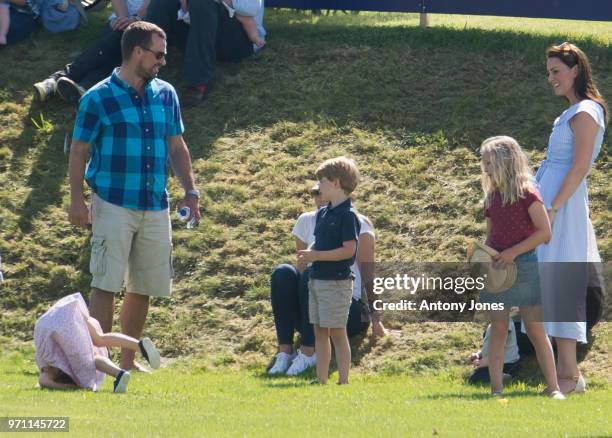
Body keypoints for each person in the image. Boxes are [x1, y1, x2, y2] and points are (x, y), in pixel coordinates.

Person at [68, 21, 201, 371]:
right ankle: (100, 361)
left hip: (155, 203)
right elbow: (79, 151)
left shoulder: (166, 93)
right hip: (111, 201)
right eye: (158, 54)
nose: (162, 62)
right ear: (137, 52)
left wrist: (191, 191)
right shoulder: (97, 97)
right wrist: (77, 201)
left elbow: (177, 146)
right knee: (106, 284)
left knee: (143, 286)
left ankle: (127, 362)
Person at [538, 42, 608, 394]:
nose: (551, 78)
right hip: (550, 203)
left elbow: (580, 166)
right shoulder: (570, 112)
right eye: (548, 72)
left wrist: (554, 207)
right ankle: (563, 373)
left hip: (562, 208)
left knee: (563, 284)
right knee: (549, 284)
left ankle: (569, 374)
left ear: (576, 70)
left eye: (556, 71)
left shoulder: (586, 112)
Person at [269, 183, 393, 376]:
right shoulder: (306, 220)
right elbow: (301, 268)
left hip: (346, 306)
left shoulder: (357, 221)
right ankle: (285, 352)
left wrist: (377, 320)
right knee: (283, 272)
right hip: (313, 306)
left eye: (322, 191)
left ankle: (309, 351)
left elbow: (369, 276)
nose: (318, 197)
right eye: (315, 193)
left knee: (314, 273)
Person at [479, 136, 564, 399]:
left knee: (536, 328)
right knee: (499, 329)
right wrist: (484, 257)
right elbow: (490, 237)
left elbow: (544, 232)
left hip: (525, 266)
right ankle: (496, 390)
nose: (485, 168)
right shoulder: (492, 197)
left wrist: (514, 252)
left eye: (489, 162)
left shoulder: (528, 194)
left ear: (505, 161)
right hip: (498, 271)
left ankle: (554, 388)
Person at [295, 157, 360, 385]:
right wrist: (309, 253)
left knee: (337, 333)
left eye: (321, 182)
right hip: (317, 279)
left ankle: (343, 380)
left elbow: (348, 250)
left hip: (337, 283)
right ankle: (320, 379)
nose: (318, 187)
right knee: (320, 331)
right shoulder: (323, 213)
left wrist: (317, 256)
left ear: (336, 183)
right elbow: (319, 242)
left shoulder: (348, 215)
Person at [146, 0, 265, 106]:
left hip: (238, 40)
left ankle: (198, 82)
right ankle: (143, 71)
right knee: (161, 2)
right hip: (198, 30)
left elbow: (251, 8)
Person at [35, 293, 160, 393]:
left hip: (55, 328)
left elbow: (44, 381)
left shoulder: (50, 370)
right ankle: (139, 345)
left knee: (90, 360)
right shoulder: (57, 359)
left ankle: (119, 374)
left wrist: (75, 388)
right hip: (65, 311)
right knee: (100, 339)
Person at [33, 0, 150, 103]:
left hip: (146, 26)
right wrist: (123, 20)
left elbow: (153, 4)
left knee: (120, 55)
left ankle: (64, 81)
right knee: (107, 50)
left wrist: (135, 20)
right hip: (119, 21)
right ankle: (80, 85)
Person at [178, 0, 264, 49]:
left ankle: (255, 38)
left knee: (247, 20)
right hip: (208, 24)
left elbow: (251, 10)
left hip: (237, 32)